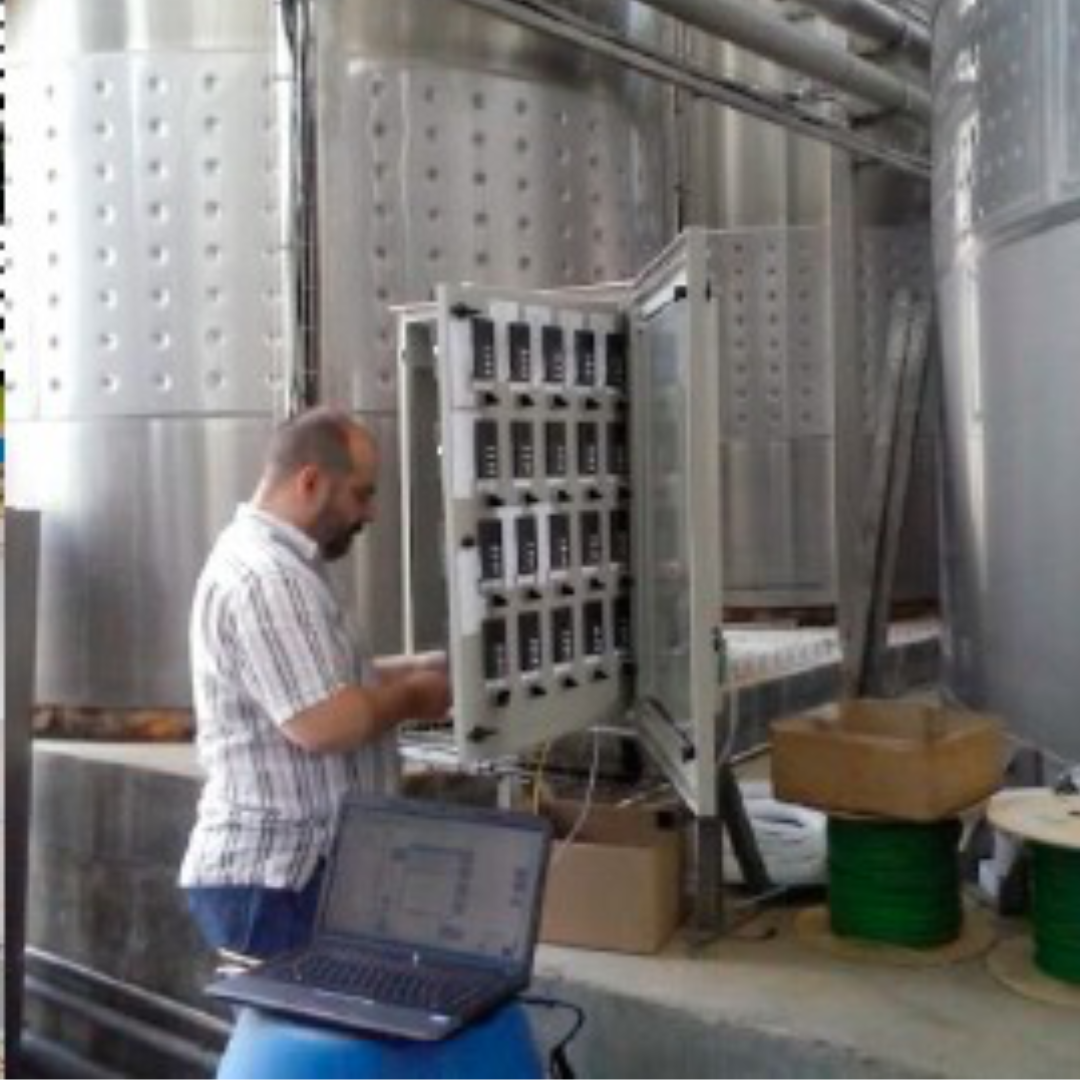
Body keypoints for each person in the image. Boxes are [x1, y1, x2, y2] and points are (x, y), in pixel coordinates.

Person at [179, 406, 451, 959]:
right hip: (278, 882)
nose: (369, 512)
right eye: (361, 494)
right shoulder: (266, 578)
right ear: (310, 481)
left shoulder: (284, 567)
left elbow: (329, 681)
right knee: (316, 1043)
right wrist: (415, 697)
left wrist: (429, 666)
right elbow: (325, 723)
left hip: (296, 878)